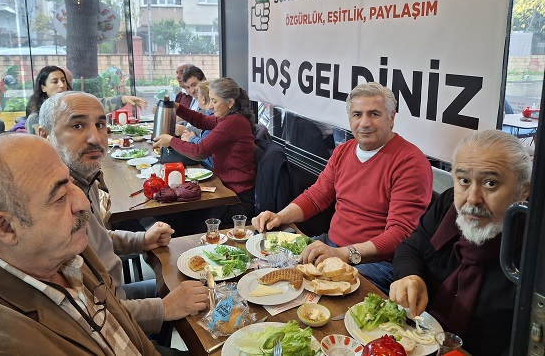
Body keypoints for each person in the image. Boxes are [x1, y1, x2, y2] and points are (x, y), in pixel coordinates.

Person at [0, 133, 163, 355]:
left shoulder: (63, 249)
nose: (83, 203)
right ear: (6, 228)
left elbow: (126, 329)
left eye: (71, 181)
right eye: (59, 197)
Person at [39, 91, 208, 339]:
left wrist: (142, 240)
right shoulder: (48, 208)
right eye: (77, 126)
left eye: (100, 125)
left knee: (189, 289)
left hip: (115, 297)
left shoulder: (85, 179)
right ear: (45, 136)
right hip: (104, 328)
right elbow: (79, 314)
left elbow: (95, 238)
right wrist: (164, 308)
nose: (95, 138)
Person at [252, 82, 433, 294]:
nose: (364, 123)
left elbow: (400, 234)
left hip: (377, 264)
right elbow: (316, 196)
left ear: (392, 117)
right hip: (331, 246)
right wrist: (279, 216)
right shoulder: (344, 151)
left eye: (374, 114)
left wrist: (344, 254)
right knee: (266, 267)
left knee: (303, 294)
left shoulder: (411, 162)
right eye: (357, 115)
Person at [389, 130, 531, 356]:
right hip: (419, 337)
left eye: (490, 183)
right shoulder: (448, 205)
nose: (472, 198)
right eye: (464, 181)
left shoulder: (533, 248)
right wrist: (410, 276)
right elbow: (410, 248)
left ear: (523, 190)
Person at [153, 78, 256, 235]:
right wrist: (178, 107)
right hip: (225, 189)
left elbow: (199, 151)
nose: (211, 106)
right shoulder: (230, 117)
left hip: (236, 198)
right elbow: (202, 120)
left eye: (214, 101)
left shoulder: (233, 122)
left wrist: (171, 141)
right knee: (177, 214)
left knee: (182, 220)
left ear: (230, 102)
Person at [25, 65, 147, 134]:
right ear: (43, 87)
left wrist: (123, 99)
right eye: (55, 82)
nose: (62, 85)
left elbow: (95, 105)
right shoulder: (35, 118)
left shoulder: (71, 105)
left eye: (63, 80)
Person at [180, 80, 213, 170]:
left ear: (203, 99)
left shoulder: (212, 117)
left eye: (198, 97)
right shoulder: (208, 115)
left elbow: (206, 146)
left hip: (210, 166)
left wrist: (191, 138)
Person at [175, 66, 207, 137]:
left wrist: (186, 129)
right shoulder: (194, 99)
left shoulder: (210, 102)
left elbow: (208, 130)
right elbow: (190, 123)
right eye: (188, 87)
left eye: (194, 85)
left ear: (204, 80)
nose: (192, 91)